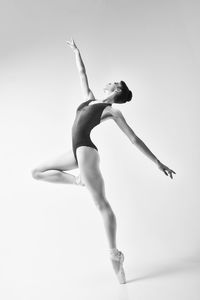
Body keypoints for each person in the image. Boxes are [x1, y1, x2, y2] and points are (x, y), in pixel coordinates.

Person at [31, 38, 176, 284]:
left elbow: (134, 139)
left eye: (114, 82)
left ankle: (114, 255)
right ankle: (79, 181)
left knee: (102, 206)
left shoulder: (112, 111)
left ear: (117, 90)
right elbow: (82, 73)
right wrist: (77, 52)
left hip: (86, 151)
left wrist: (157, 162)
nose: (109, 81)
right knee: (36, 172)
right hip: (76, 150)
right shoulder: (89, 99)